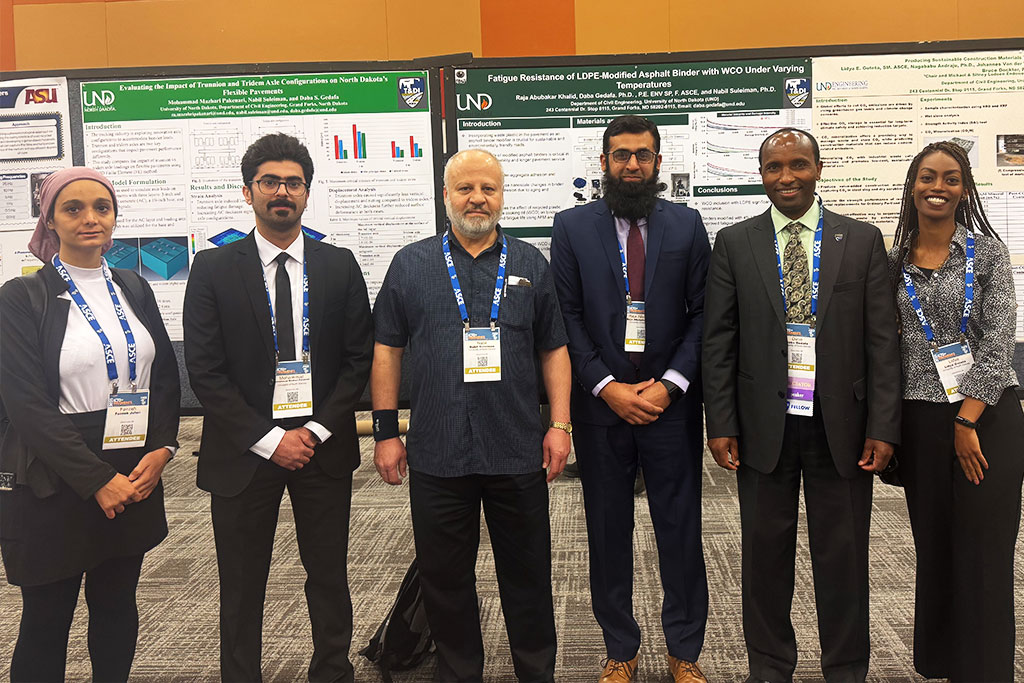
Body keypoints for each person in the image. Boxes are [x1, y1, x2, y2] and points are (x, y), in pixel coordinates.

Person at [702, 128, 901, 683]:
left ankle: (846, 669)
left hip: (842, 424)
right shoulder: (735, 242)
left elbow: (883, 342)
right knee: (765, 559)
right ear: (761, 173)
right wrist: (720, 421)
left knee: (843, 559)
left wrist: (884, 425)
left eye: (797, 165)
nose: (785, 176)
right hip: (763, 423)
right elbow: (719, 340)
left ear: (818, 168)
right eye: (773, 167)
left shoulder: (860, 241)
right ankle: (769, 668)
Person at [371, 148, 571, 682]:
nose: (477, 198)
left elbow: (554, 349)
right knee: (445, 578)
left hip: (515, 447)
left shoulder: (530, 263)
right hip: (437, 451)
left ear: (502, 196)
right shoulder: (410, 264)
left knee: (528, 575)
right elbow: (387, 350)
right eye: (465, 189)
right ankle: (460, 673)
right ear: (445, 197)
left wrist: (559, 424)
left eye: (488, 188)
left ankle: (536, 671)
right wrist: (386, 433)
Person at [182, 133, 373, 682]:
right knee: (241, 581)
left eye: (293, 182)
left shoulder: (339, 265)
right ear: (249, 192)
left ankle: (332, 671)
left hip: (322, 446)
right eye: (270, 182)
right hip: (244, 452)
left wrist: (311, 431)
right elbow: (206, 372)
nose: (282, 192)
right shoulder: (213, 268)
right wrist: (271, 439)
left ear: (307, 193)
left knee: (329, 574)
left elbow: (358, 360)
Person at [0, 167, 180, 682]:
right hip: (54, 475)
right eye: (73, 208)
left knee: (116, 605)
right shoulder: (21, 297)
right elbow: (24, 404)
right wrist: (96, 479)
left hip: (133, 464)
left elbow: (165, 378)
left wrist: (163, 448)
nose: (90, 218)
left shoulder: (133, 287)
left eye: (101, 207)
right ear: (51, 220)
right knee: (47, 619)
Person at [550, 115, 710, 683]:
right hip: (602, 410)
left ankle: (684, 651)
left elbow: (702, 317)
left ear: (659, 163)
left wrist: (669, 384)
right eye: (621, 155)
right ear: (603, 163)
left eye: (643, 155)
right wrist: (606, 387)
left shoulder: (688, 225)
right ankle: (620, 648)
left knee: (681, 530)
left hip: (671, 408)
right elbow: (566, 317)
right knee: (607, 531)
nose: (632, 165)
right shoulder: (570, 227)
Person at [889, 141, 1024, 682]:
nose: (937, 187)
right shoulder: (893, 261)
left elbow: (998, 341)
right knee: (936, 547)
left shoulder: (987, 253)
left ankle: (986, 670)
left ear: (964, 188)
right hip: (921, 420)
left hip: (985, 417)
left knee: (985, 553)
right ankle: (944, 662)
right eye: (927, 177)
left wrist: (966, 421)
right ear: (913, 186)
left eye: (949, 178)